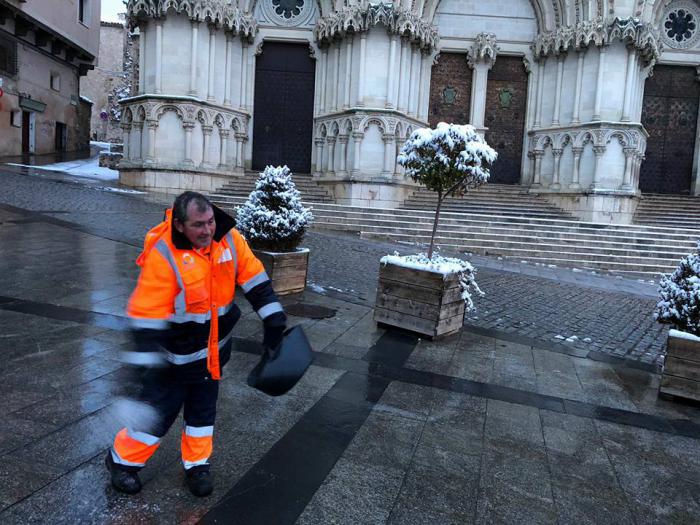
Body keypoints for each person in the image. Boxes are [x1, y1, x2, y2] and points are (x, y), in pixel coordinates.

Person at [105, 191, 286, 497]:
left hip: (212, 355)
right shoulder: (164, 254)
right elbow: (146, 312)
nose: (207, 230)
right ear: (179, 225)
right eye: (198, 225)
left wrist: (273, 318)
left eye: (211, 221)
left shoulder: (229, 239)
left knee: (203, 415)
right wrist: (141, 365)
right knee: (158, 417)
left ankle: (197, 465)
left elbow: (254, 279)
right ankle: (122, 461)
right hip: (173, 361)